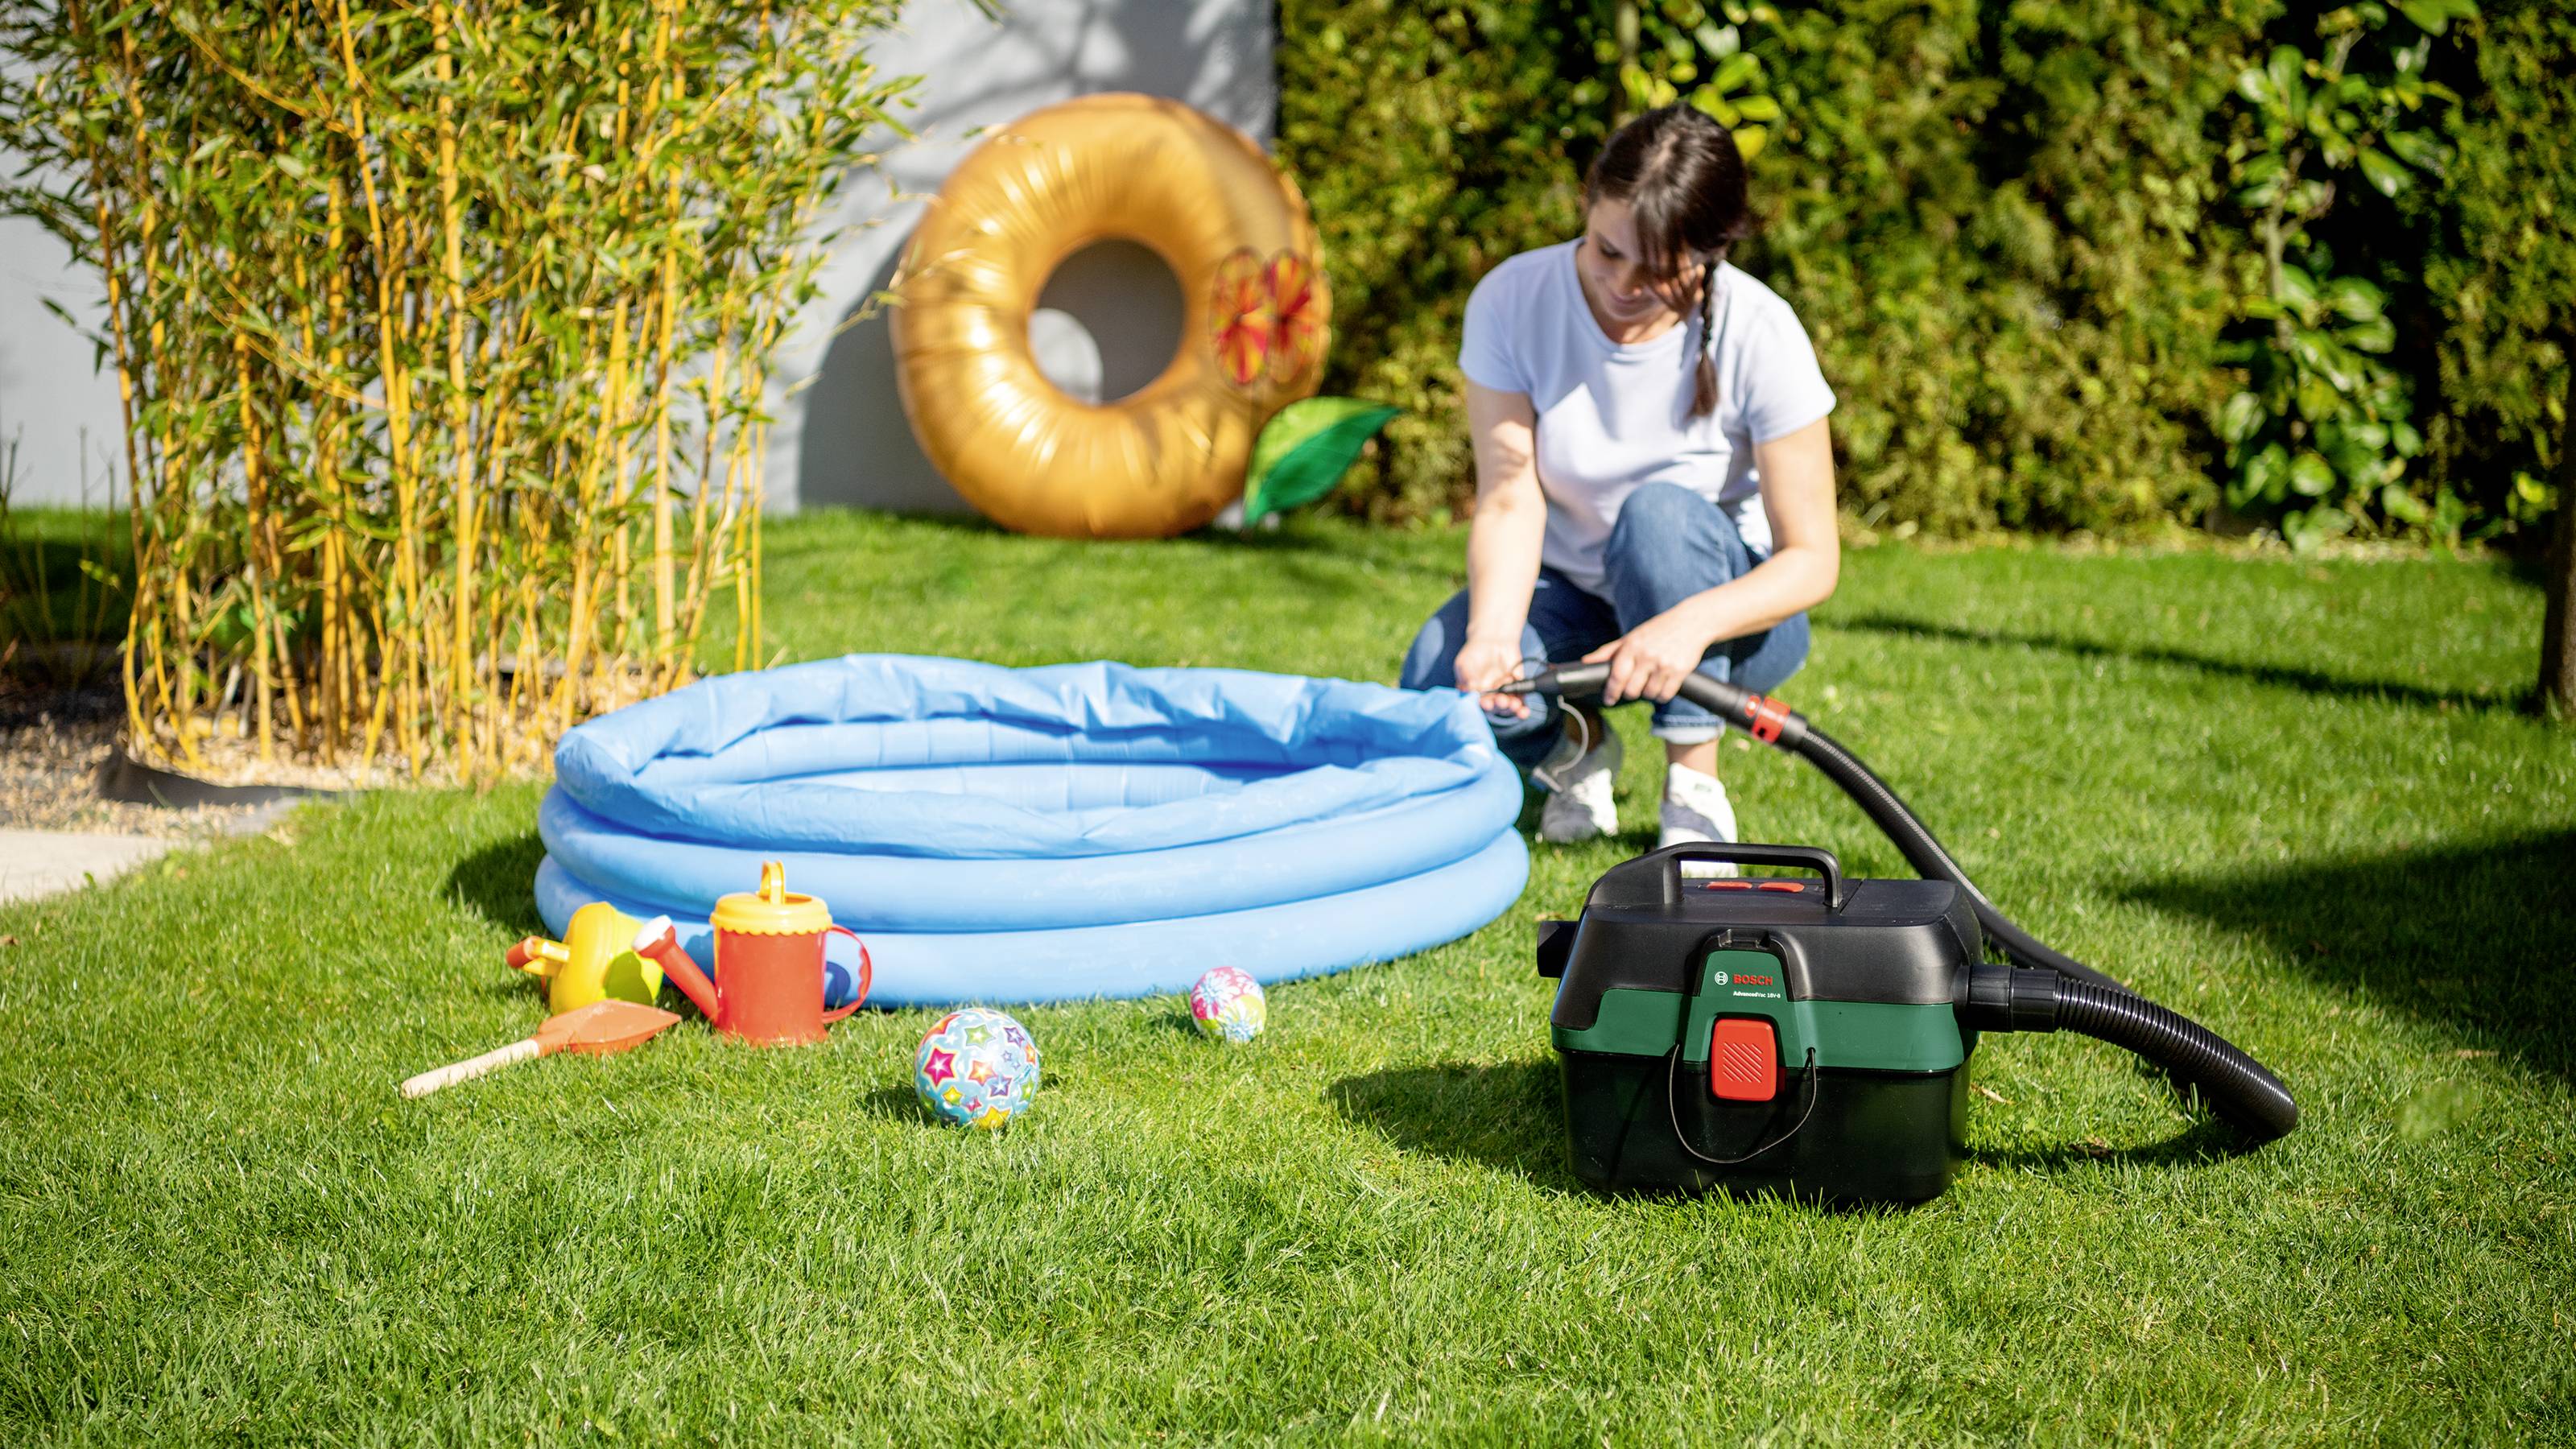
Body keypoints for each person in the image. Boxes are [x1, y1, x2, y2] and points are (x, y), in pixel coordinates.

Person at [1399, 103, 1840, 856]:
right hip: (1577, 602)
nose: (1625, 286)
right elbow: (1510, 492)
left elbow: (1813, 561)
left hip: (1729, 622)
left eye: (1661, 270)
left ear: (1713, 253)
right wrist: (1496, 636)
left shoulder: (1763, 332)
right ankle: (1579, 746)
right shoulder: (1512, 300)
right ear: (1586, 205)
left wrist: (1684, 627)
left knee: (1659, 515)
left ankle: (1693, 790)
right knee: (1440, 677)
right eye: (1608, 252)